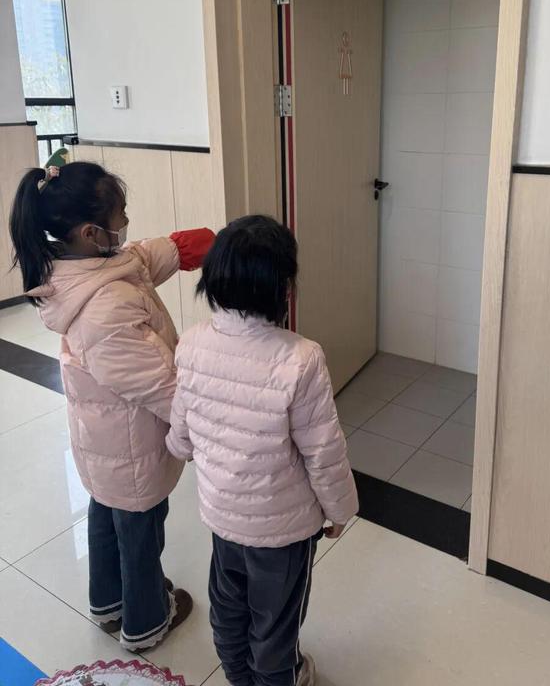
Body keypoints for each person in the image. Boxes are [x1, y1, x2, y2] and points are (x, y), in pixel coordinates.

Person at [9, 159, 215, 652]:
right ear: (90, 232)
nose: (126, 223)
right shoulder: (104, 309)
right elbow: (161, 387)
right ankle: (146, 623)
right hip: (132, 445)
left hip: (105, 445)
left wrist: (188, 246)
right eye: (120, 215)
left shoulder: (80, 267)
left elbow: (138, 258)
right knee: (141, 535)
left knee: (106, 518)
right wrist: (205, 429)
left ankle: (107, 602)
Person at [166, 215, 358, 686]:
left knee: (229, 608)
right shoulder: (302, 357)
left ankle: (238, 676)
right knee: (276, 623)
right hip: (282, 530)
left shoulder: (191, 343)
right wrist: (339, 510)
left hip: (223, 516)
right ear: (282, 287)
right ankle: (278, 675)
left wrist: (180, 446)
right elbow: (323, 451)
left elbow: (182, 428)